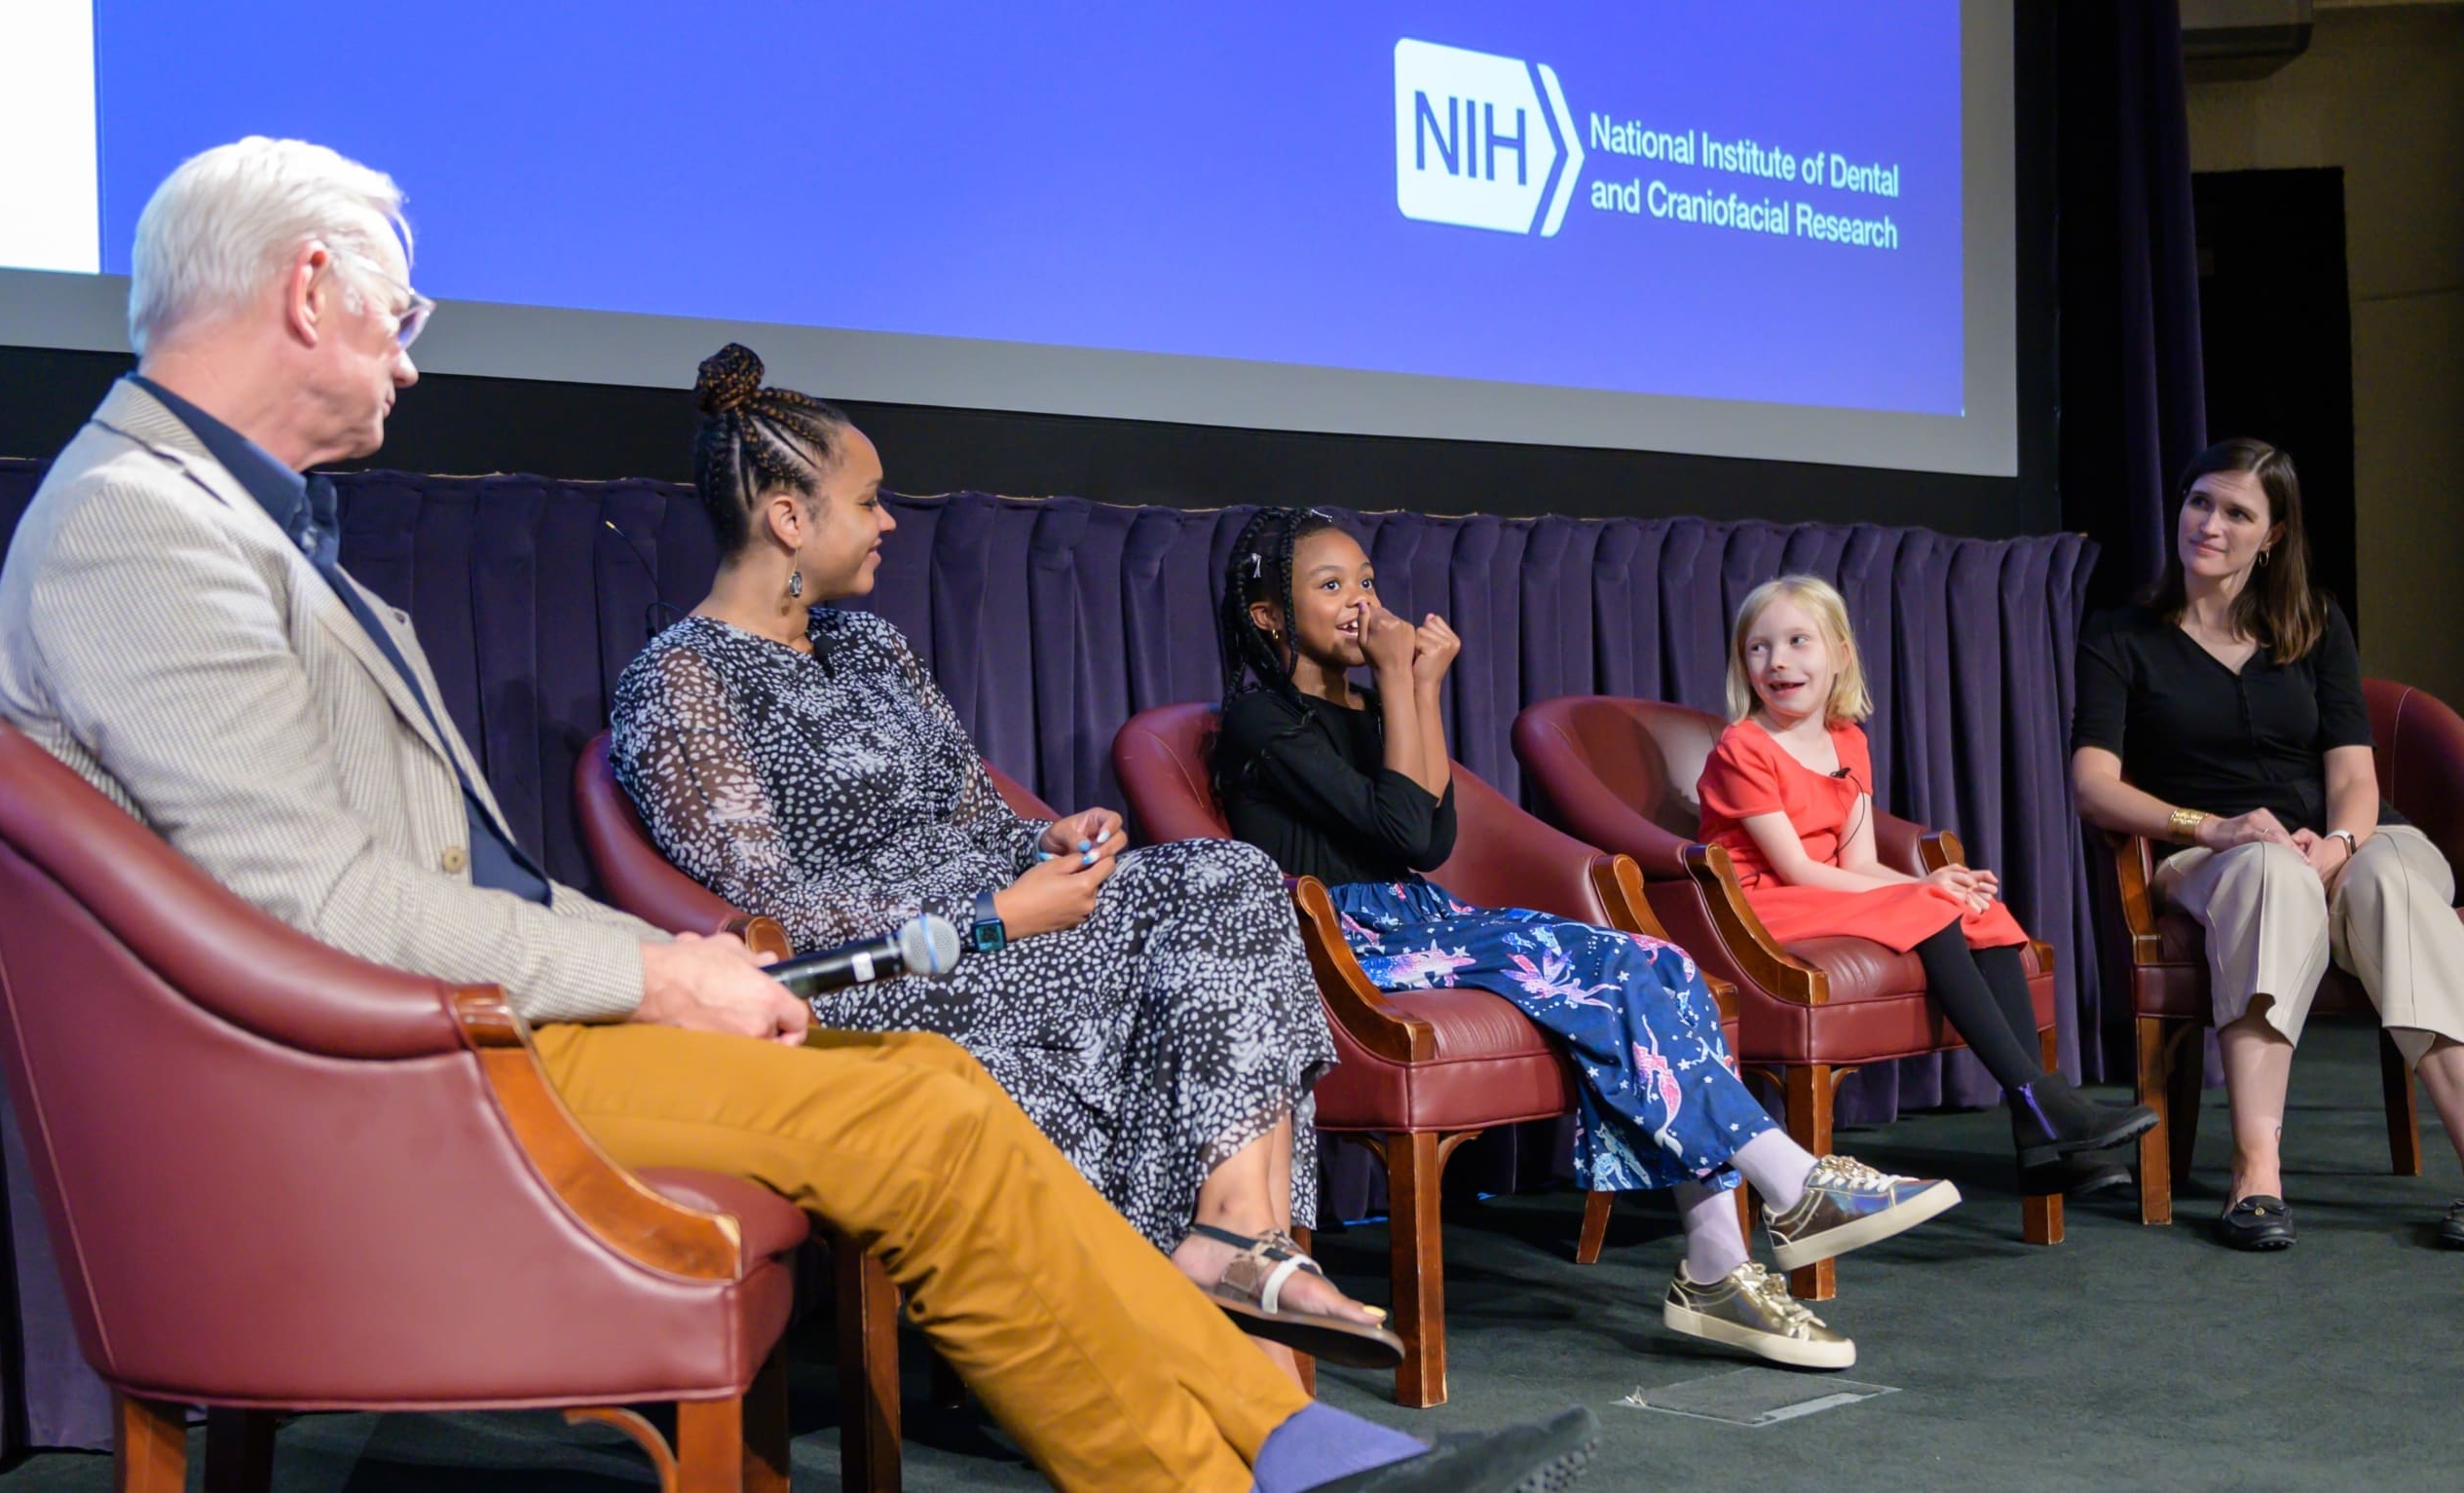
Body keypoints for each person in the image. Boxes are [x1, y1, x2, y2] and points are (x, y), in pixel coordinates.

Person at [0, 135, 1602, 1493]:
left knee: (947, 1090)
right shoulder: (140, 529)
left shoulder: (228, 524)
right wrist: (664, 974)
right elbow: (311, 896)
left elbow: (443, 875)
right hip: (395, 1074)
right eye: (398, 310)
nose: (411, 354)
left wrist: (663, 955)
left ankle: (1280, 1433)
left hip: (458, 1022)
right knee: (922, 1104)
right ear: (307, 290)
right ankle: (1237, 1466)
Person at [608, 344, 1396, 1377]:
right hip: (896, 969)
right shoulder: (679, 683)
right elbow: (772, 908)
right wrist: (996, 911)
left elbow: (978, 809)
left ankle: (1234, 1235)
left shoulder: (872, 647)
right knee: (1187, 963)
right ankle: (1202, 1303)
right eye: (870, 500)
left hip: (1011, 925)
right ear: (791, 520)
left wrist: (1051, 841)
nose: (890, 521)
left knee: (1229, 875)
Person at [1211, 507, 1960, 1372]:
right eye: (1331, 585)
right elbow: (1406, 831)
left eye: (1368, 581)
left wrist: (1411, 690)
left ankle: (1718, 1260)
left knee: (1662, 963)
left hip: (1425, 919)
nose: (1361, 602)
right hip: (1341, 945)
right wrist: (1407, 684)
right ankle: (1791, 1180)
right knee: (1600, 968)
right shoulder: (1259, 722)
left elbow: (1434, 837)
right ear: (1270, 615)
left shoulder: (1375, 705)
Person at [2072, 438, 2464, 1251]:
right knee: (2267, 873)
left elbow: (2354, 774)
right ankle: (2257, 1173)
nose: (2209, 524)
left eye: (2237, 512)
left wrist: (2344, 842)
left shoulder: (2314, 623)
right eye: (2199, 502)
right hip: (2214, 852)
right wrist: (2209, 827)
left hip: (2355, 838)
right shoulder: (2121, 634)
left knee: (2392, 882)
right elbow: (2094, 784)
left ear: (2273, 534)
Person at [1697, 575, 2157, 1198]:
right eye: (1759, 647)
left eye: (1798, 641)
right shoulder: (1743, 746)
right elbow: (1796, 870)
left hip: (1819, 890)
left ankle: (2039, 1142)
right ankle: (2044, 1104)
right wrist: (1917, 898)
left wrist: (1930, 882)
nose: (1778, 661)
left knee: (1981, 914)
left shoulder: (1846, 740)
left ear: (1840, 654)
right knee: (1930, 911)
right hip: (1757, 904)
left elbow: (1857, 863)